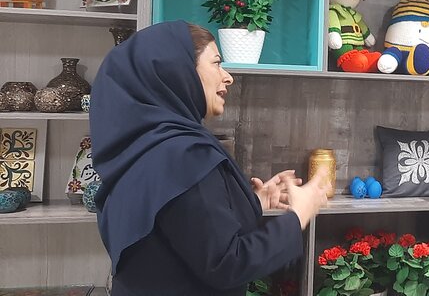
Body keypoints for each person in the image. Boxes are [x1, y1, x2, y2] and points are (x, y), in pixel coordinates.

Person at [89, 21, 331, 295]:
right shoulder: (183, 155)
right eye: (216, 63)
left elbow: (181, 227)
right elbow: (228, 264)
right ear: (177, 72)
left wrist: (253, 201)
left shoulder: (143, 147)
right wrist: (299, 214)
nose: (227, 77)